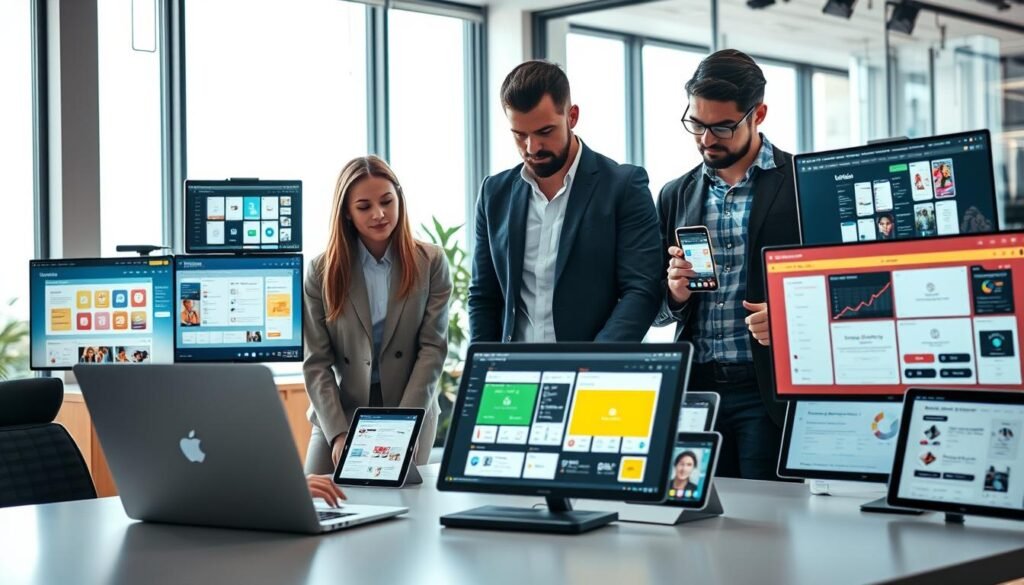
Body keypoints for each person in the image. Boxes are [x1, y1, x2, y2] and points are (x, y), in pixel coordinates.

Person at [655, 49, 800, 480]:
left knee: (767, 528)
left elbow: (841, 287)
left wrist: (791, 320)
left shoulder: (800, 183)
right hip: (696, 391)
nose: (705, 139)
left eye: (721, 127)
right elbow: (659, 310)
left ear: (759, 114)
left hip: (767, 394)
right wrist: (675, 294)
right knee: (695, 526)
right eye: (696, 124)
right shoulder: (674, 195)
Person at [469, 60, 662, 343]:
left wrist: (594, 362)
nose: (532, 147)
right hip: (515, 375)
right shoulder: (493, 194)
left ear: (572, 116)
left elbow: (641, 290)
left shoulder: (623, 187)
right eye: (520, 135)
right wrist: (483, 368)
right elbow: (484, 296)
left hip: (594, 371)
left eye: (545, 132)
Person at [303, 155, 452, 475]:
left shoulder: (431, 262)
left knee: (406, 507)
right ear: (346, 212)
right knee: (314, 502)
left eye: (387, 201)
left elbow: (432, 350)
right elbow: (316, 362)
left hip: (410, 408)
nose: (379, 214)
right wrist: (339, 434)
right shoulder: (320, 271)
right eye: (364, 206)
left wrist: (404, 426)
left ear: (400, 198)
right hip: (340, 414)